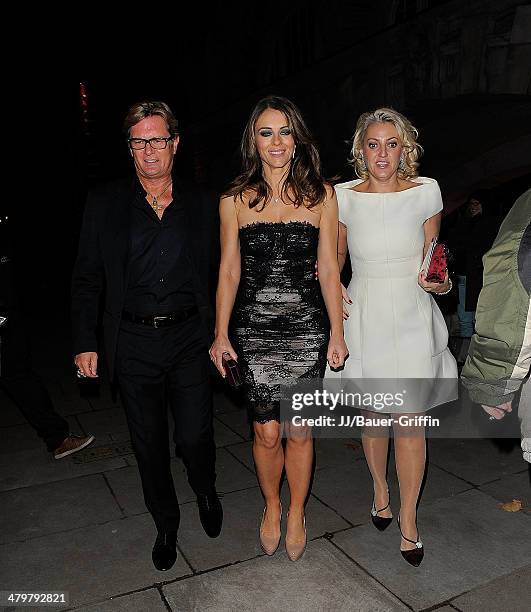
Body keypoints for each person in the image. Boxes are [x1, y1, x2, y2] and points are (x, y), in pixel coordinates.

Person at [71, 100, 222, 572]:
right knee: (148, 443)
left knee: (195, 437)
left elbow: (228, 272)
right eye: (139, 141)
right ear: (130, 149)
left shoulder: (203, 204)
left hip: (189, 338)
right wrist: (84, 339)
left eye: (157, 139)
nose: (149, 149)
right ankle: (166, 522)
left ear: (175, 144)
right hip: (133, 342)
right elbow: (86, 277)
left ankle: (204, 488)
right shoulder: (106, 203)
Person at [209, 95, 347, 561]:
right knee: (267, 432)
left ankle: (298, 511)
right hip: (254, 328)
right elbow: (228, 271)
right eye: (266, 132)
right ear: (254, 139)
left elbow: (329, 270)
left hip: (306, 327)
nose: (276, 142)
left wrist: (337, 332)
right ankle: (272, 506)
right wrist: (220, 332)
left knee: (301, 430)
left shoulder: (322, 195)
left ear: (297, 139)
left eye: (284, 131)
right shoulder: (233, 199)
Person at [329, 108, 457, 566]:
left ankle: (407, 518)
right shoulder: (342, 196)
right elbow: (335, 259)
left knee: (409, 421)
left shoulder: (426, 192)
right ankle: (380, 490)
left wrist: (439, 284)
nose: (382, 153)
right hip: (364, 312)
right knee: (372, 415)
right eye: (373, 144)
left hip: (410, 314)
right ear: (360, 150)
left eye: (392, 143)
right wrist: (334, 293)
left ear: (406, 148)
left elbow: (433, 261)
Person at [0, 209, 95, 459]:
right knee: (19, 376)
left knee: (19, 375)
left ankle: (58, 438)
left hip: (9, 316)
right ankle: (58, 438)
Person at [461, 189, 530, 463]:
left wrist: (492, 382)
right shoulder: (470, 225)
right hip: (480, 285)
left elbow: (517, 272)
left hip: (501, 302)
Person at [446, 190, 500, 364]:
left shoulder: (489, 225)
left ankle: (476, 356)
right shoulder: (464, 223)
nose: (473, 208)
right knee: (465, 317)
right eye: (471, 204)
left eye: (477, 204)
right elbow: (456, 243)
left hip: (481, 277)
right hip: (463, 276)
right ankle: (465, 356)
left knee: (479, 316)